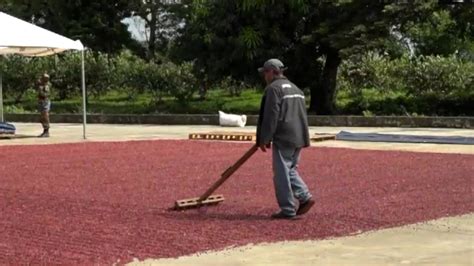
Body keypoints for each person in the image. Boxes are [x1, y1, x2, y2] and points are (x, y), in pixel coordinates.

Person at [256, 58, 315, 220]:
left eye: (265, 72)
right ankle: (305, 197)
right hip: (299, 136)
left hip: (284, 137)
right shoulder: (296, 89)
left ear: (272, 71)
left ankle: (288, 209)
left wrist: (264, 138)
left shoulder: (273, 89)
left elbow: (270, 116)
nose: (264, 76)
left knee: (282, 173)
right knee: (290, 170)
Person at [37, 73, 51, 138]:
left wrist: (40, 90)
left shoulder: (46, 86)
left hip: (44, 101)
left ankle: (46, 131)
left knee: (45, 116)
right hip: (41, 101)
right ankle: (45, 130)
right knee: (42, 117)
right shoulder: (41, 85)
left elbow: (45, 95)